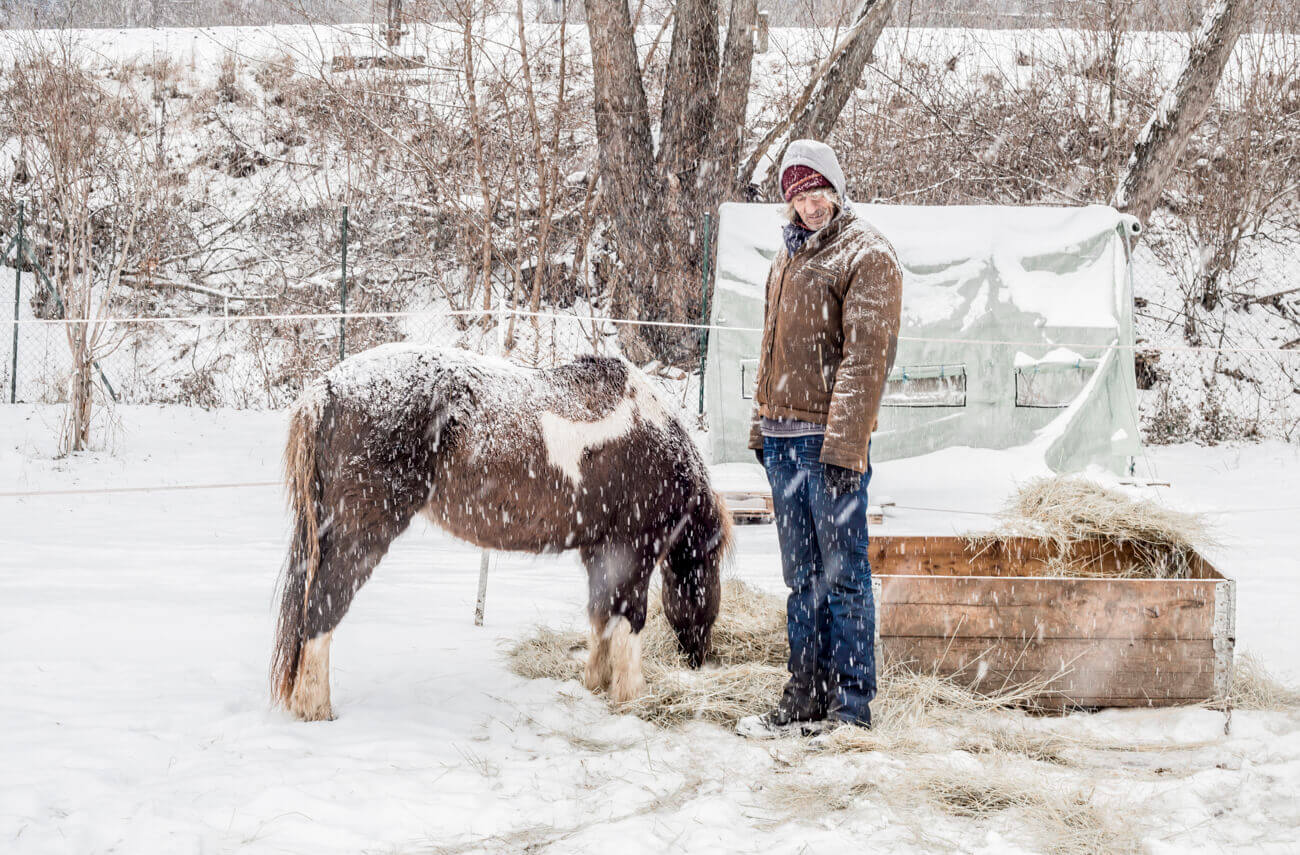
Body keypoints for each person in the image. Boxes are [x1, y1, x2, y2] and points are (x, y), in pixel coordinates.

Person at [737, 139, 903, 738]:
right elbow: (769, 346)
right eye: (799, 195)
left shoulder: (867, 255)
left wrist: (844, 446)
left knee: (844, 576)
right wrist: (760, 427)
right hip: (782, 441)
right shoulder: (788, 257)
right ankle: (805, 692)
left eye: (817, 190)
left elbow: (866, 361)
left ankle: (851, 707)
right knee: (801, 578)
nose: (809, 204)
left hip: (825, 445)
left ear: (836, 186)